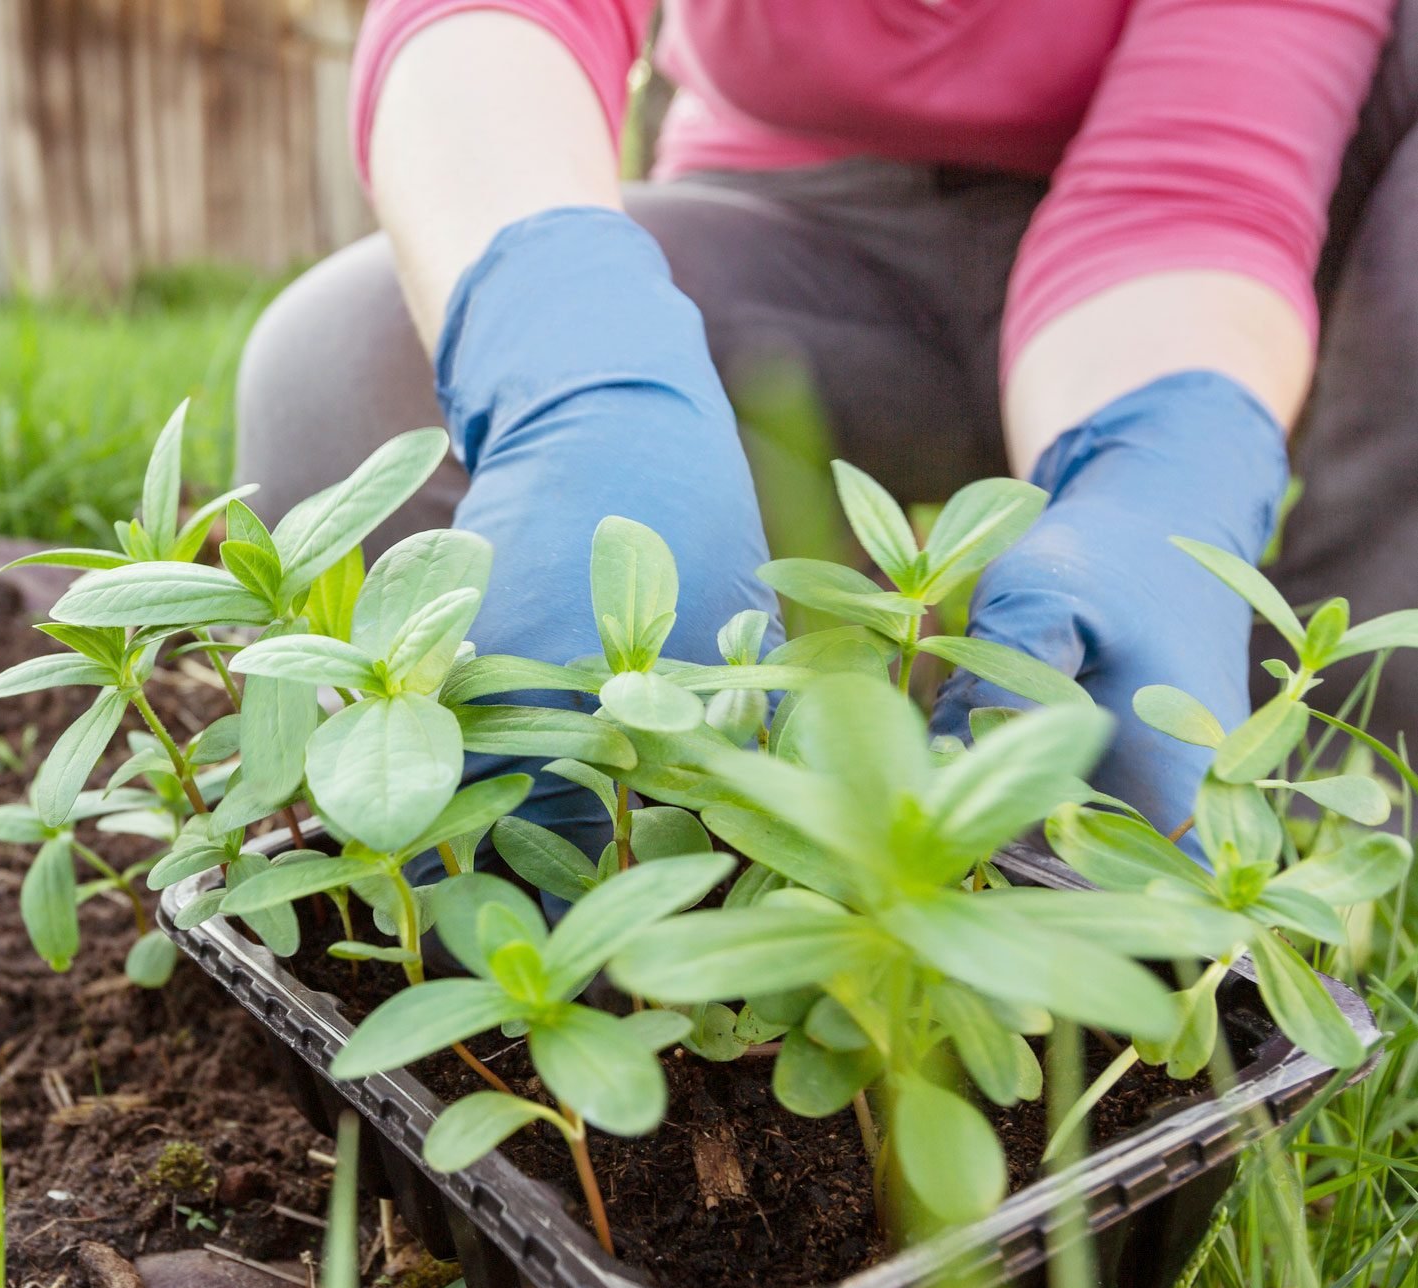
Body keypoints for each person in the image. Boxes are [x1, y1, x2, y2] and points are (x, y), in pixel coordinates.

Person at [235, 0, 1417, 858]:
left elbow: (1188, 190)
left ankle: (1316, 783)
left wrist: (1161, 480)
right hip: (802, 230)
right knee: (343, 369)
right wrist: (566, 355)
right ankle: (698, 808)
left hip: (1195, 272)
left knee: (1158, 632)